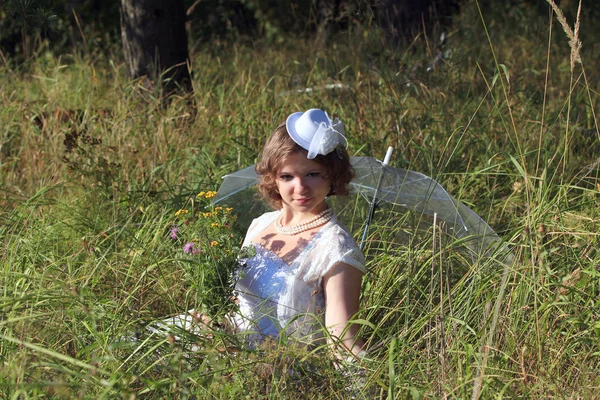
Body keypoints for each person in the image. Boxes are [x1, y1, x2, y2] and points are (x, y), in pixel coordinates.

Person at [231, 108, 365, 358]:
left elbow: (344, 341)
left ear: (333, 176)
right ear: (274, 179)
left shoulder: (336, 247)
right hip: (229, 345)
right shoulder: (260, 225)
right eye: (287, 176)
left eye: (313, 174)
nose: (300, 188)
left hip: (281, 368)